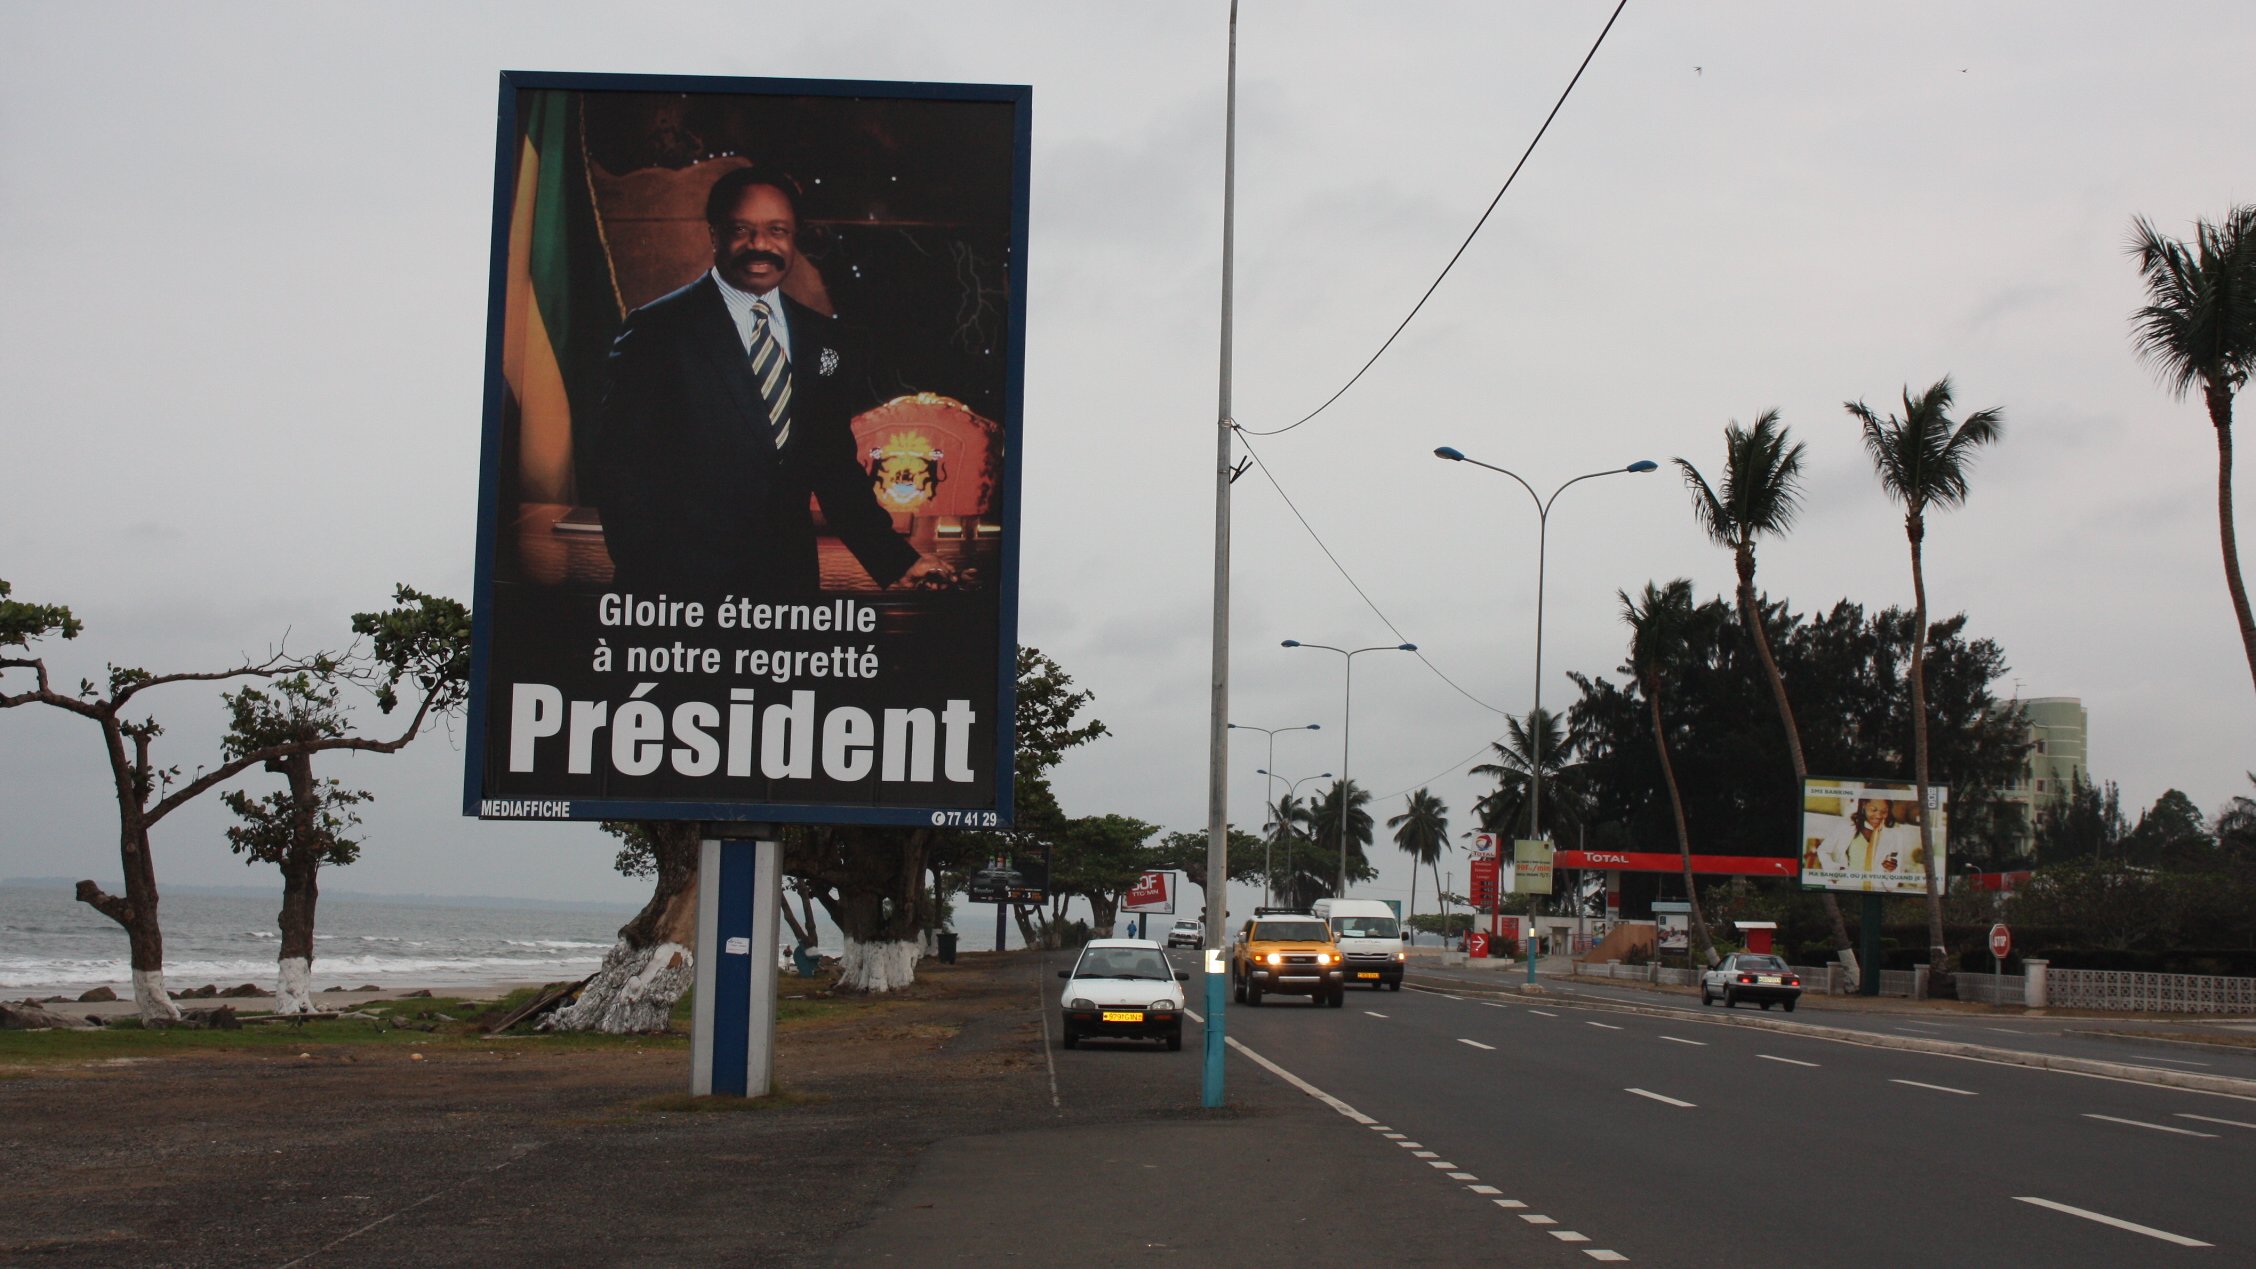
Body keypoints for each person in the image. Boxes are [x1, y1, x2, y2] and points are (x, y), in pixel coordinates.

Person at [592, 165, 953, 596]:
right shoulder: (655, 330)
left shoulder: (825, 341)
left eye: (777, 230)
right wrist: (649, 576)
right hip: (676, 592)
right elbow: (619, 468)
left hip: (787, 588)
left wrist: (898, 562)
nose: (760, 244)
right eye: (742, 229)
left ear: (795, 236)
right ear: (714, 235)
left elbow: (833, 468)